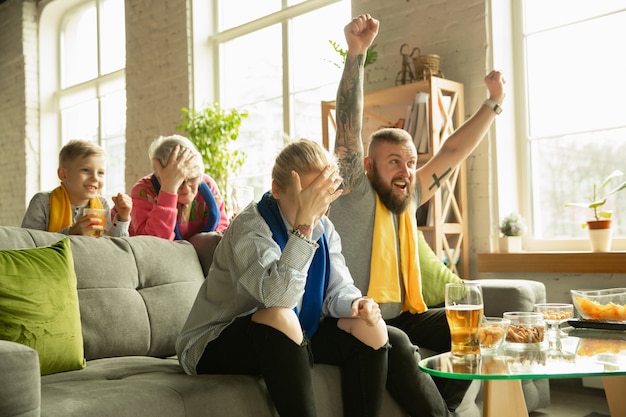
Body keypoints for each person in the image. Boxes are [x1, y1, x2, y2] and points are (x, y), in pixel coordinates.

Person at [328, 14, 506, 416]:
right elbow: (346, 130)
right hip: (357, 320)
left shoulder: (407, 195)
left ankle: (440, 406)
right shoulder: (355, 189)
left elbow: (452, 153)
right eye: (394, 162)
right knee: (401, 345)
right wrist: (356, 53)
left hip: (404, 314)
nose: (406, 172)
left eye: (410, 163)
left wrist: (494, 103)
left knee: (472, 324)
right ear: (369, 167)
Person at [176, 139, 389, 417]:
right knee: (279, 316)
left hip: (291, 336)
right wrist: (304, 228)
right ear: (277, 189)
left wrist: (356, 304)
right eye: (308, 197)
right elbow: (279, 298)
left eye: (322, 198)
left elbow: (338, 289)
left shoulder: (324, 227)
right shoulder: (250, 227)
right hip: (214, 340)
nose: (318, 211)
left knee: (369, 327)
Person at [21, 139, 132, 237]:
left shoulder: (102, 204)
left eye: (101, 173)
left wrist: (122, 218)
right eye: (85, 170)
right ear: (63, 174)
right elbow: (28, 244)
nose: (95, 178)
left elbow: (111, 248)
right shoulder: (42, 202)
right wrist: (70, 233)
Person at [129, 134, 229, 240]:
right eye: (179, 181)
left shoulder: (208, 185)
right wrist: (168, 190)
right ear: (159, 177)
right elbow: (153, 245)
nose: (186, 189)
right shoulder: (144, 191)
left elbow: (221, 237)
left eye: (192, 179)